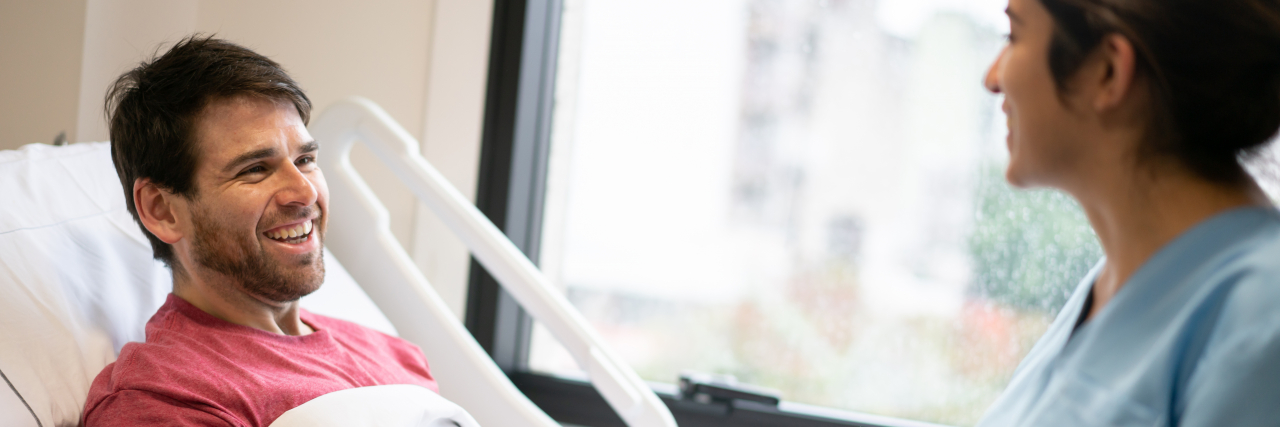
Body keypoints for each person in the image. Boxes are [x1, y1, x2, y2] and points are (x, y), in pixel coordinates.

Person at [81, 36, 440, 426]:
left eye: (305, 159)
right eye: (255, 169)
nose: (304, 191)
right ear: (161, 209)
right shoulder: (164, 398)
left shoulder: (394, 355)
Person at [977, 0, 1280, 425]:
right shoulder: (1111, 287)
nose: (992, 78)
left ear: (1108, 71)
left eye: (1015, 36)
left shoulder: (1261, 318)